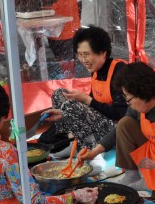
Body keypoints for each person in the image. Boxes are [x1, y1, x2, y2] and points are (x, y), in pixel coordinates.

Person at [78, 62, 155, 204]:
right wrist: (94, 152)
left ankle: (150, 182)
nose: (129, 104)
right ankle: (132, 176)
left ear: (142, 92)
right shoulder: (137, 107)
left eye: (129, 98)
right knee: (125, 123)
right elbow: (118, 130)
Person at [40, 26, 127, 156]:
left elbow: (120, 113)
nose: (83, 60)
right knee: (59, 94)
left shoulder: (119, 71)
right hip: (98, 121)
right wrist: (63, 112)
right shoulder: (96, 70)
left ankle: (90, 151)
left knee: (72, 105)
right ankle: (70, 139)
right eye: (80, 55)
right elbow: (93, 106)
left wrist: (85, 100)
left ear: (103, 52)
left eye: (86, 54)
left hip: (115, 129)